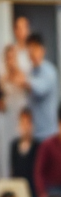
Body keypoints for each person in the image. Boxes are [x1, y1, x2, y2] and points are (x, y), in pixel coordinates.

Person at [12, 33, 60, 140]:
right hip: (33, 134)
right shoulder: (30, 72)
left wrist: (24, 81)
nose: (33, 52)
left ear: (43, 50)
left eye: (36, 48)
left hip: (49, 133)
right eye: (30, 49)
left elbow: (40, 89)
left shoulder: (50, 71)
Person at [0, 44, 28, 179]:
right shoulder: (2, 80)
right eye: (8, 58)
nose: (10, 61)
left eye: (13, 57)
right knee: (6, 157)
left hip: (21, 123)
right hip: (7, 124)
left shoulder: (23, 77)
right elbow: (3, 107)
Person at [9, 107, 39, 197]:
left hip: (33, 189)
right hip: (18, 188)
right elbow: (13, 170)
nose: (25, 127)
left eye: (28, 123)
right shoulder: (14, 145)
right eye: (22, 123)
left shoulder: (37, 146)